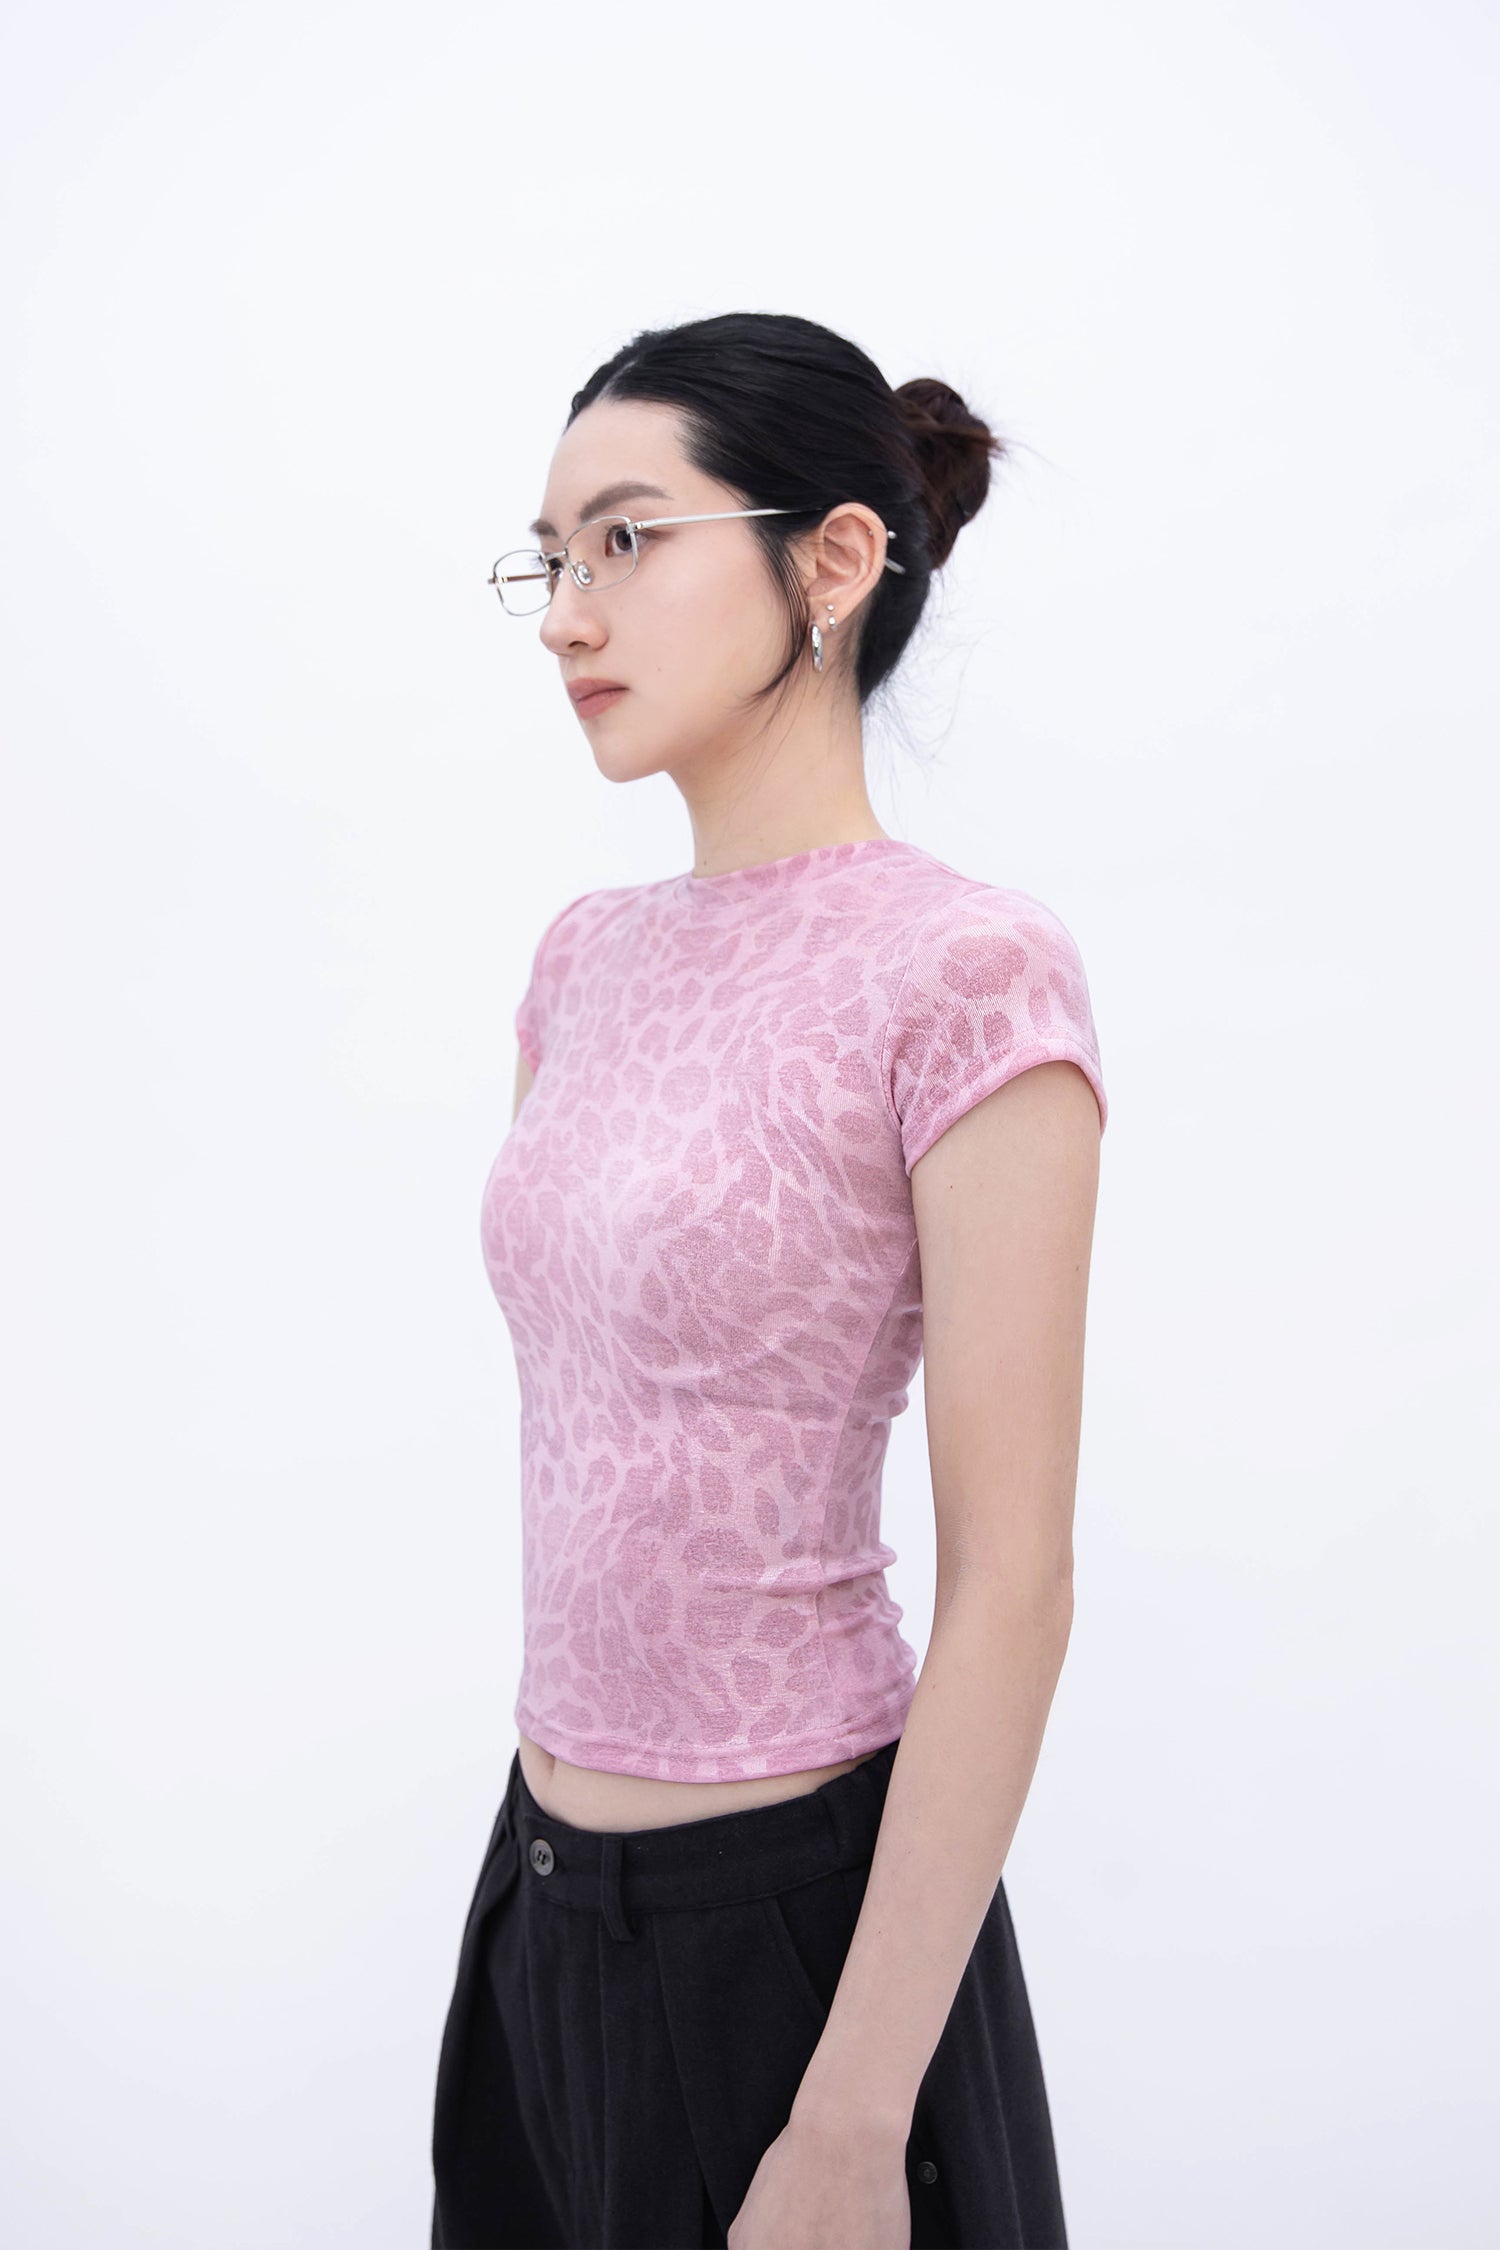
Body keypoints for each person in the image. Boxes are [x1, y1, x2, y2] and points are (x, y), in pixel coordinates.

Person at [430, 310, 1108, 2250]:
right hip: (536, 1901)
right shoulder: (584, 959)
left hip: (796, 1942)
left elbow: (1015, 1581)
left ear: (834, 561)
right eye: (551, 558)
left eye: (628, 539)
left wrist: (850, 2113)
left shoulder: (964, 973)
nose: (569, 613)